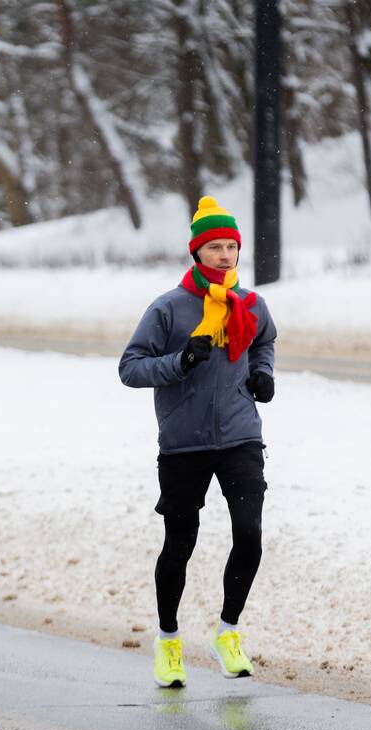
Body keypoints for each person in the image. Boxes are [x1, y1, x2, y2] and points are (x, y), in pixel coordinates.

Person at [118, 196, 277, 688]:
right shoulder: (168, 308)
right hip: (184, 443)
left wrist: (262, 374)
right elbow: (130, 368)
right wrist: (180, 362)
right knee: (180, 543)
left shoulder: (250, 305)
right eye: (215, 247)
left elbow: (264, 341)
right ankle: (168, 641)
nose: (225, 256)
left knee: (249, 535)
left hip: (240, 436)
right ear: (196, 253)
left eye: (231, 247)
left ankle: (227, 632)